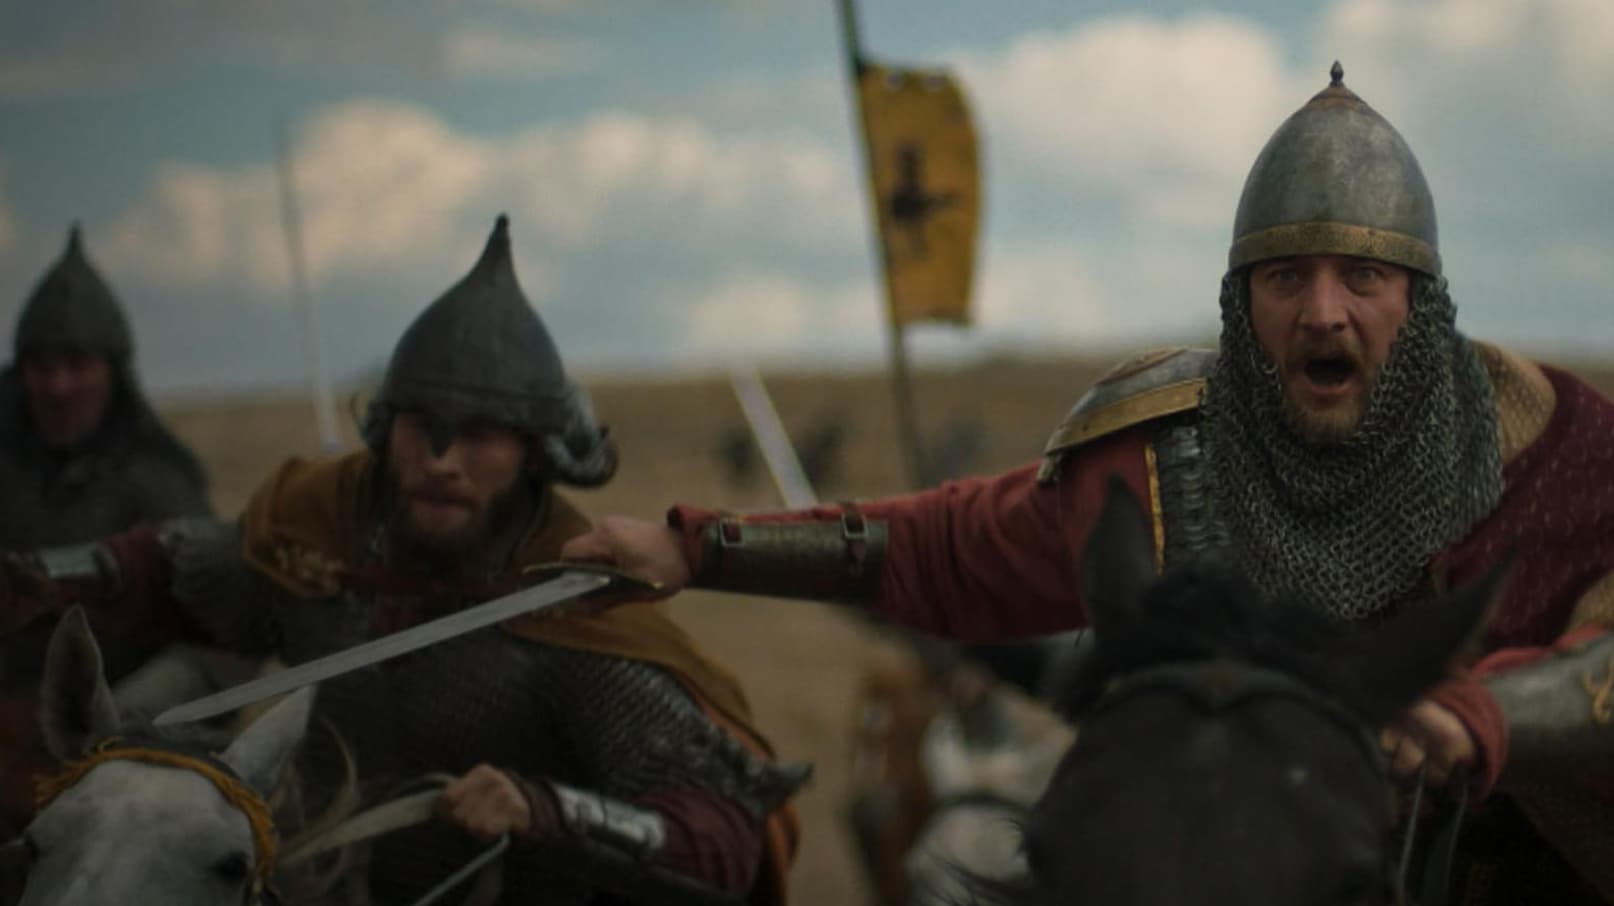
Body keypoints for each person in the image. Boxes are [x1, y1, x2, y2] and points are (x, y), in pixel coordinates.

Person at [559, 65, 1614, 903]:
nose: (1323, 311)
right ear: (1242, 300)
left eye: (1364, 276)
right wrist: (695, 547)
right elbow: (948, 548)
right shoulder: (1165, 454)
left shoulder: (1561, 453)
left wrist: (1485, 716)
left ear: (1420, 301)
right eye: (1286, 276)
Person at [0, 215, 803, 905]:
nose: (442, 461)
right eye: (424, 427)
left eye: (480, 435)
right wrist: (48, 576)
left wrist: (545, 811)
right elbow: (179, 568)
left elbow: (720, 837)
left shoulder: (577, 613)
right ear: (389, 433)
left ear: (535, 454)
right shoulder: (329, 543)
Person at [0, 224, 214, 837]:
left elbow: (215, 646)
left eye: (77, 364)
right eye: (41, 365)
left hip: (112, 756)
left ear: (112, 371)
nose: (58, 386)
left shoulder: (160, 483)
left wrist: (106, 724)